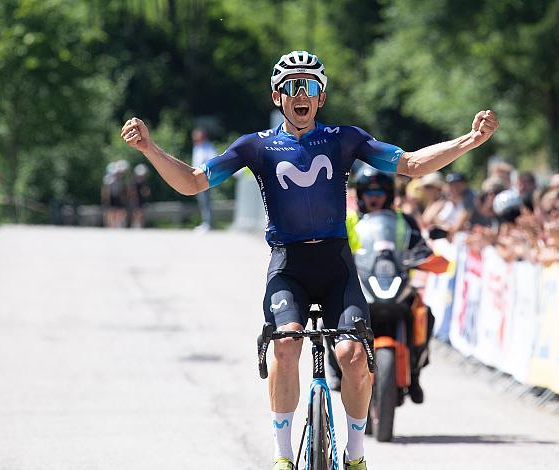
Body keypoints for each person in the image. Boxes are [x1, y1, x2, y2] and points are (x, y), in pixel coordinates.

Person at [120, 50, 498, 470]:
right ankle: (283, 455)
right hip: (289, 267)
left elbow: (409, 164)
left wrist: (469, 141)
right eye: (293, 87)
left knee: (353, 356)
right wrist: (150, 148)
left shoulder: (343, 138)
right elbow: (192, 183)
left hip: (336, 266)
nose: (302, 94)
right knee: (285, 346)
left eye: (311, 86)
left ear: (320, 98)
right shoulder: (256, 146)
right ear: (277, 96)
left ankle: (355, 457)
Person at [344, 166, 433, 403]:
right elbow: (333, 247)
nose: (374, 197)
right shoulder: (348, 220)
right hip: (359, 284)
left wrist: (426, 257)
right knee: (330, 316)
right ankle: (335, 372)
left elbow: (421, 247)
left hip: (396, 280)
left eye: (380, 191)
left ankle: (414, 373)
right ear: (360, 194)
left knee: (425, 312)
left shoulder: (404, 221)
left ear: (389, 194)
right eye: (369, 191)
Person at [191, 127, 218, 231]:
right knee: (202, 201)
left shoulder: (208, 147)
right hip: (197, 177)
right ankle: (206, 222)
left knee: (206, 201)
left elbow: (213, 160)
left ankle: (208, 223)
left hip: (205, 177)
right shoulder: (197, 147)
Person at [130, 163, 151, 228]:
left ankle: (140, 225)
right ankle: (135, 225)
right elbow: (133, 192)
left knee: (141, 212)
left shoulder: (143, 182)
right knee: (137, 212)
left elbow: (147, 192)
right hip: (136, 199)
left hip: (141, 199)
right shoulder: (135, 182)